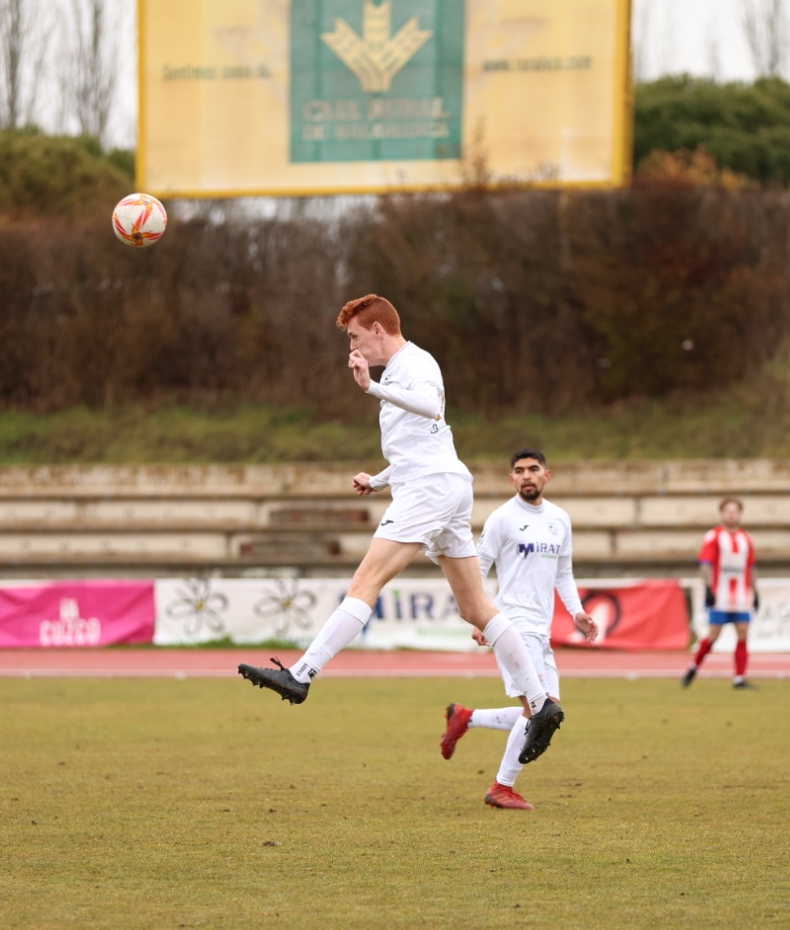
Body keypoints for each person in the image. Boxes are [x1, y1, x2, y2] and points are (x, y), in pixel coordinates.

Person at [238, 295, 563, 764]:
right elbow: (423, 445)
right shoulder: (398, 373)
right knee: (475, 607)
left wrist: (370, 387)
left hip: (430, 490)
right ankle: (540, 702)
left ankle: (302, 674)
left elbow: (430, 406)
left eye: (354, 337)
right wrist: (379, 479)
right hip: (443, 483)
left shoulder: (415, 363)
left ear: (377, 329)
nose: (351, 347)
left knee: (365, 582)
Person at [440, 450, 599, 811]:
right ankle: (501, 787)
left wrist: (577, 611)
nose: (527, 475)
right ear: (511, 479)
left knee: (549, 709)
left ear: (547, 475)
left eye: (533, 469)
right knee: (537, 708)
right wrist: (482, 618)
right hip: (511, 624)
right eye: (519, 470)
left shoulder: (559, 519)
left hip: (541, 628)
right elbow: (477, 567)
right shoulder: (502, 518)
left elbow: (563, 572)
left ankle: (466, 717)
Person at [683, 498, 758, 690]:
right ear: (722, 514)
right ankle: (693, 668)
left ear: (740, 514)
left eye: (735, 511)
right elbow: (705, 564)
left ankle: (739, 678)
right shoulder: (714, 536)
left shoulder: (746, 538)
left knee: (743, 632)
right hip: (720, 595)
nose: (731, 515)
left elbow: (751, 567)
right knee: (713, 635)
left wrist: (755, 591)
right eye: (727, 511)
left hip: (741, 596)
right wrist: (708, 588)